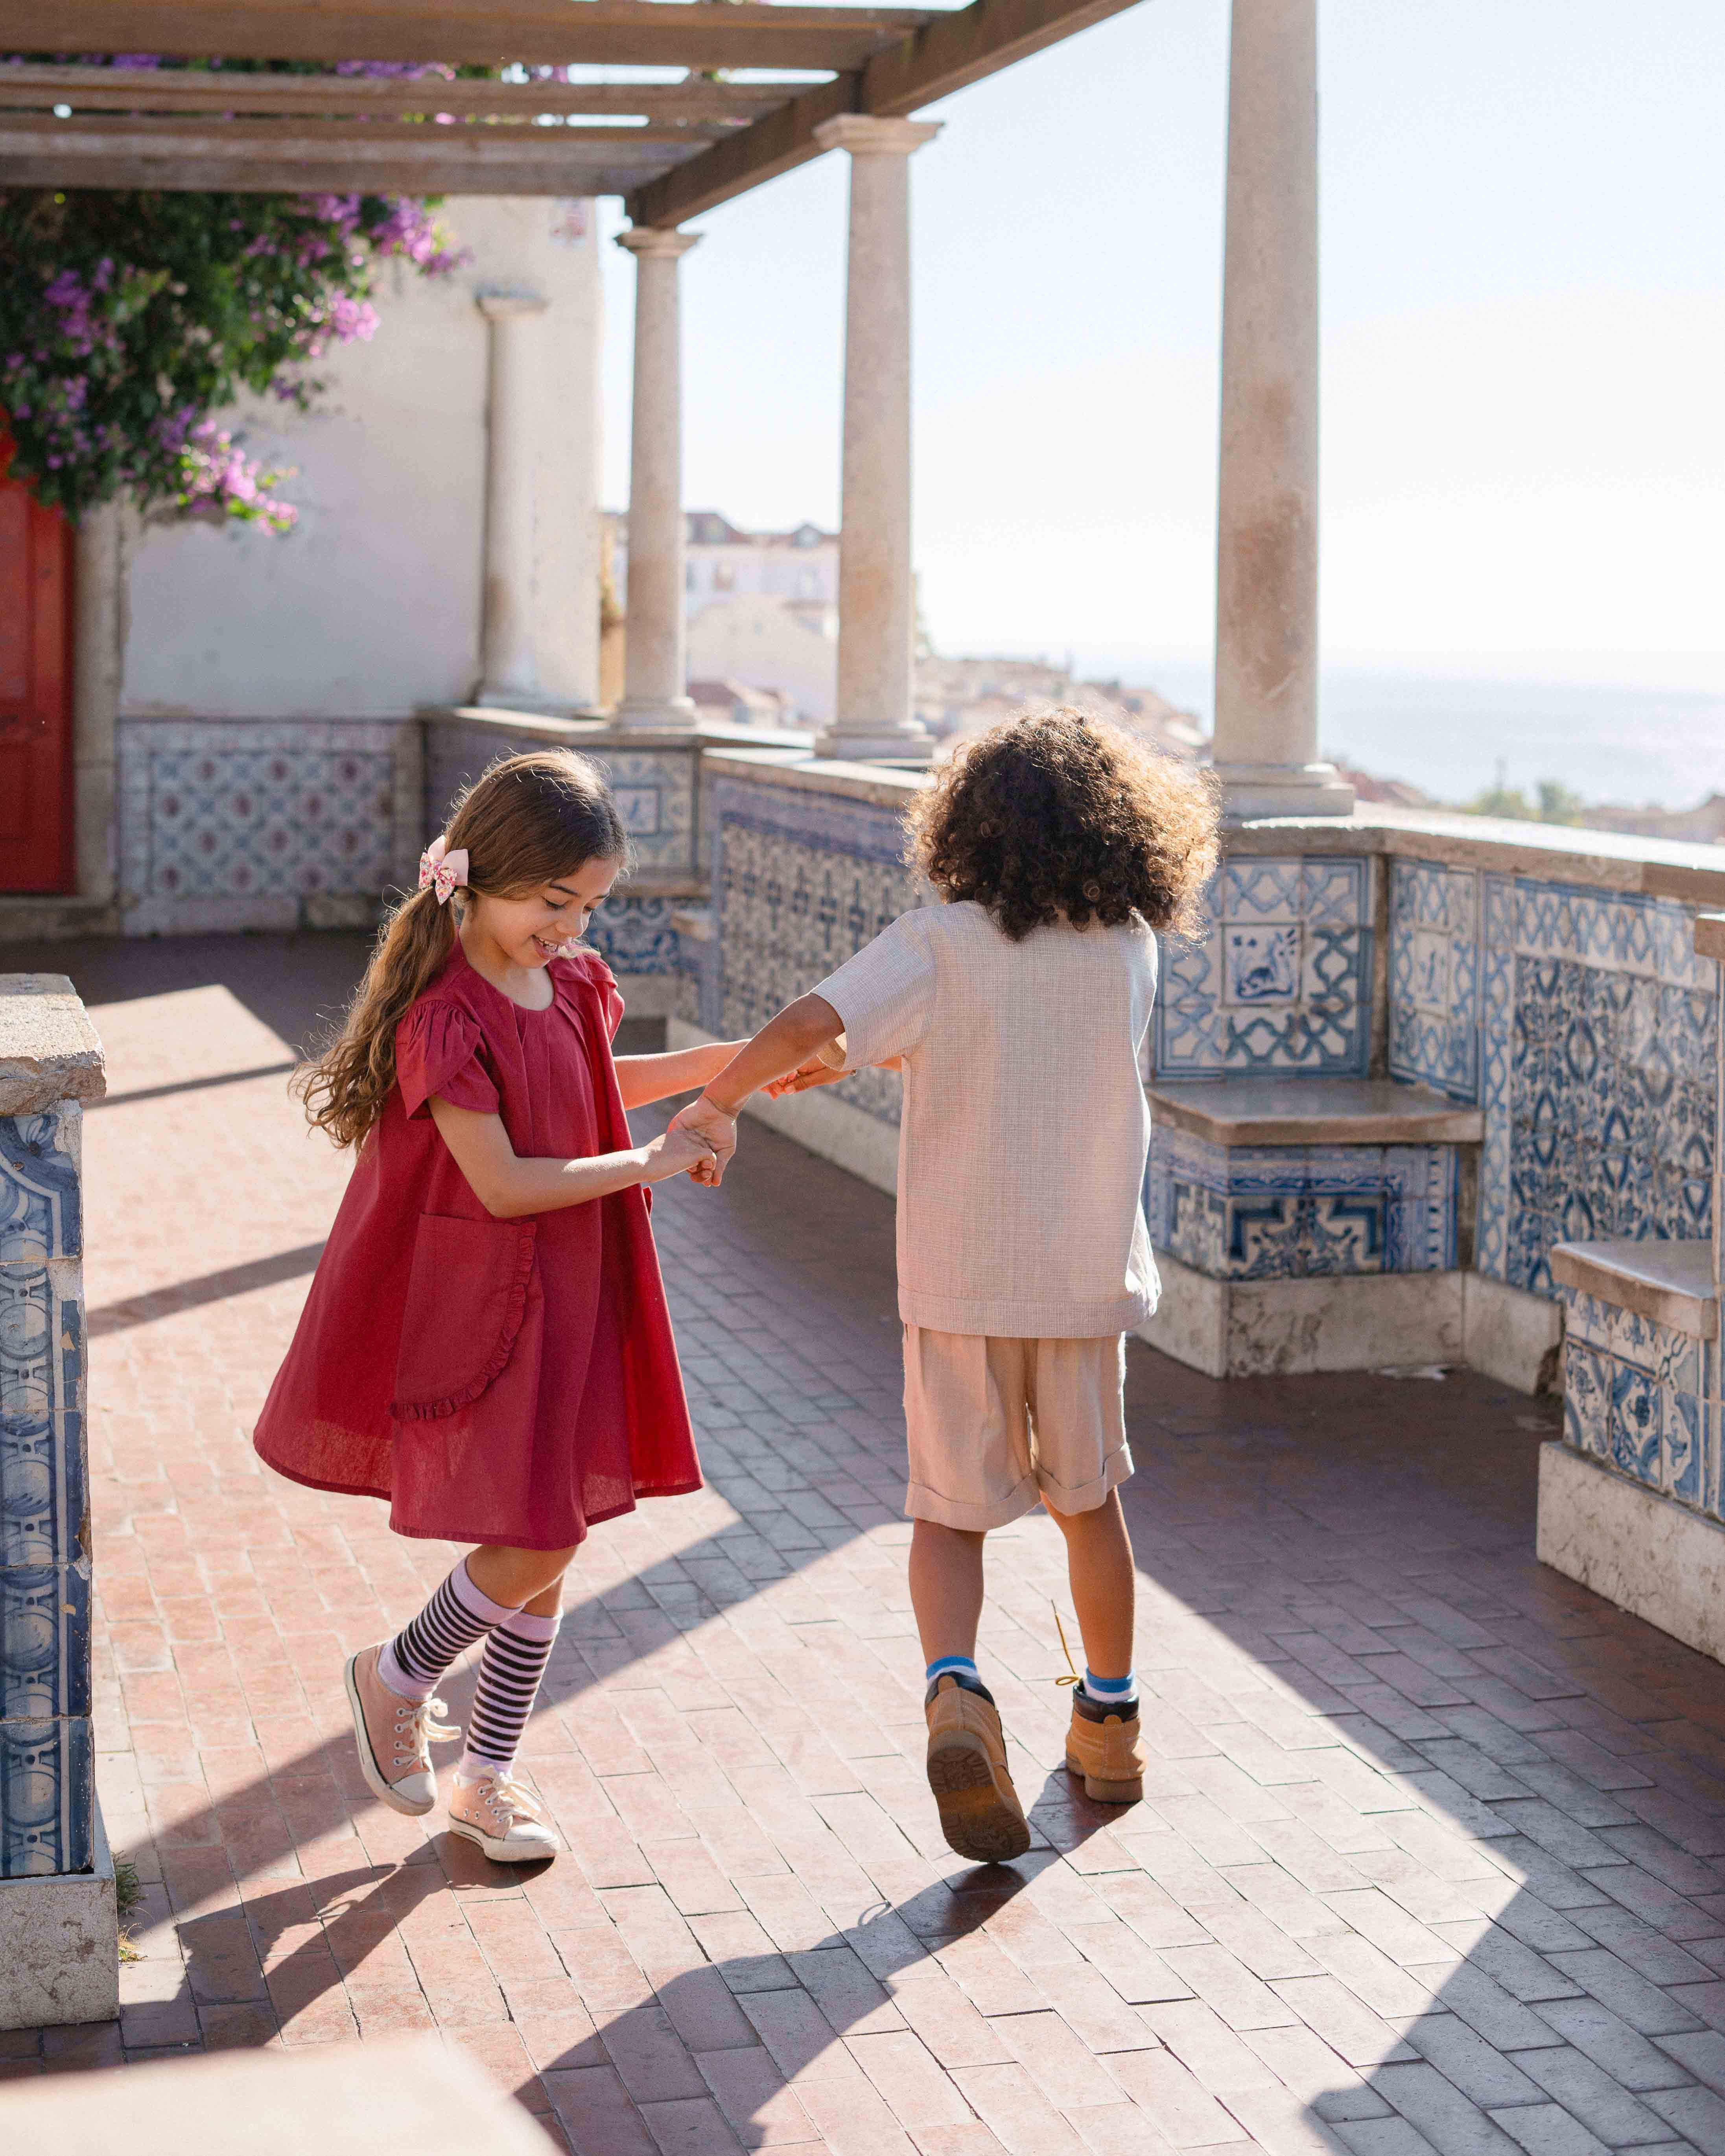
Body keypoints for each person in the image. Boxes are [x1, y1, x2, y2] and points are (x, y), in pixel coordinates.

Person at [673, 711, 1218, 1863]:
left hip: (959, 1282)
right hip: (1079, 1284)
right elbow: (1023, 1044)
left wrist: (724, 1091)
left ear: (966, 824)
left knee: (946, 1514)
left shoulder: (938, 943)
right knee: (1089, 1504)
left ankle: (956, 1694)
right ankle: (1109, 1727)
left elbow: (826, 1020)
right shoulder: (1128, 946)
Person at [254, 750, 738, 1864]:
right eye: (552, 901)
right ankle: (395, 1676)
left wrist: (724, 1067)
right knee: (541, 1531)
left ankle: (488, 1775)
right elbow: (511, 1180)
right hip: (492, 1299)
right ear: (476, 879)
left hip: (576, 1283)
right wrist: (652, 1165)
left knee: (548, 1538)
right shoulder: (445, 1017)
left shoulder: (569, 983)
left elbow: (580, 1089)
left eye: (589, 905)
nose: (568, 926)